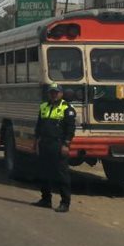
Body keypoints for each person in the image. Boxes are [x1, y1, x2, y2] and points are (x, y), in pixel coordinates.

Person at [32, 83, 76, 213]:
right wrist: (35, 141)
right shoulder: (44, 106)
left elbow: (70, 129)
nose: (53, 94)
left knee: (62, 174)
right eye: (52, 92)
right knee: (44, 172)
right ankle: (45, 199)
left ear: (61, 94)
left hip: (58, 145)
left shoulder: (67, 108)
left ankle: (65, 202)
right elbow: (39, 126)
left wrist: (66, 144)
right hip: (45, 144)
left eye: (56, 92)